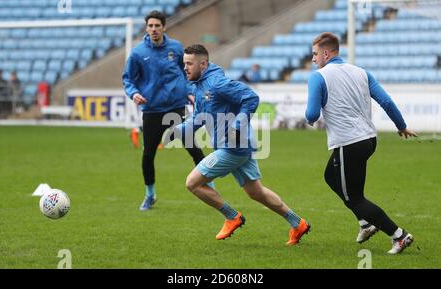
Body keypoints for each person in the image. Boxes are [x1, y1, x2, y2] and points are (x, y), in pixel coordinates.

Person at [169, 44, 310, 244]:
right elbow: (200, 117)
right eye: (184, 63)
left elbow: (251, 98)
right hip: (238, 146)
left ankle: (232, 216)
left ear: (203, 63)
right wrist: (177, 131)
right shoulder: (199, 86)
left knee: (192, 183)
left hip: (233, 146)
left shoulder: (217, 83)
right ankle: (298, 223)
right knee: (256, 192)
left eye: (189, 63)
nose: (185, 68)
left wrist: (236, 125)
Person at [305, 32, 418, 254]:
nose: (313, 59)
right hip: (368, 140)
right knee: (330, 175)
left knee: (354, 198)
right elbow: (385, 100)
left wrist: (309, 118)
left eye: (315, 54)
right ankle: (366, 223)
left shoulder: (319, 77)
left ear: (326, 53)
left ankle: (399, 235)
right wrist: (401, 126)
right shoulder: (361, 72)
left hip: (349, 142)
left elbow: (312, 113)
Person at [122, 10, 208, 211]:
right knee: (148, 154)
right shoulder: (137, 53)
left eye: (157, 26)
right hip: (152, 110)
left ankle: (208, 184)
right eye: (150, 26)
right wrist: (134, 93)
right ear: (146, 28)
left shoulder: (177, 48)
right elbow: (128, 79)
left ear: (164, 27)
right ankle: (150, 195)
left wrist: (189, 91)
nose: (153, 29)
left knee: (193, 147)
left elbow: (186, 72)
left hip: (176, 106)